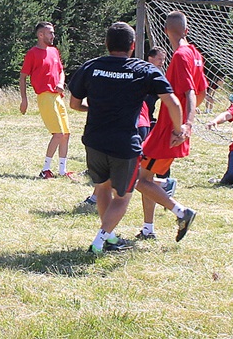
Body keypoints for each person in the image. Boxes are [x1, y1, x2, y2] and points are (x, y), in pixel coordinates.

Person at [68, 22, 188, 254]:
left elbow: (74, 103)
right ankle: (99, 241)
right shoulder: (143, 69)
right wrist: (178, 128)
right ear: (132, 46)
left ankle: (109, 237)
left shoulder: (91, 67)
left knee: (102, 189)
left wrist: (91, 109)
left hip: (94, 140)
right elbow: (172, 101)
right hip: (125, 144)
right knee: (123, 197)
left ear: (106, 43)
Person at [137, 11, 207, 241]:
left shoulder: (180, 56)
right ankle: (148, 229)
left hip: (170, 130)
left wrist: (185, 125)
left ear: (166, 31)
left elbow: (189, 92)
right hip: (170, 128)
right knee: (146, 177)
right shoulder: (196, 53)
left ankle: (181, 211)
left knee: (138, 179)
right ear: (186, 30)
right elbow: (201, 91)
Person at [83, 46, 167, 207]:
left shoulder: (146, 74)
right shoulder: (142, 72)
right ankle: (163, 187)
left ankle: (168, 195)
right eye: (159, 59)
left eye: (163, 60)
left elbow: (170, 100)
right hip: (136, 124)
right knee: (131, 172)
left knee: (127, 175)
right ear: (150, 58)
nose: (162, 63)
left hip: (138, 124)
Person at [19, 22, 73, 179]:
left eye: (53, 33)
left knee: (66, 134)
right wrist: (24, 100)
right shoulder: (33, 53)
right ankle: (45, 170)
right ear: (40, 35)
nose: (53, 36)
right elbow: (23, 77)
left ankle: (62, 171)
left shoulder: (54, 51)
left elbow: (61, 71)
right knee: (58, 133)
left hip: (58, 97)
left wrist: (60, 83)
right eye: (50, 33)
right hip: (45, 96)